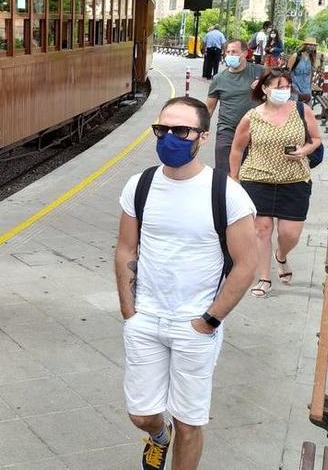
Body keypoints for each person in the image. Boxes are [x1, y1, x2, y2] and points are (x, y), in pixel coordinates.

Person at [115, 97, 257, 470]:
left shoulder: (226, 193)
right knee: (142, 415)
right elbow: (126, 248)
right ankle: (158, 437)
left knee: (189, 422)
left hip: (195, 325)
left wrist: (208, 321)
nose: (169, 138)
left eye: (181, 131)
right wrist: (130, 312)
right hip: (146, 319)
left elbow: (247, 265)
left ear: (204, 137)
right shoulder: (140, 185)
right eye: (162, 130)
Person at [229, 68, 322, 298]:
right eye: (279, 87)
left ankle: (281, 255)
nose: (284, 92)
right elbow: (237, 148)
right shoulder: (251, 117)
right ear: (264, 88)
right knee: (261, 230)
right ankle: (264, 277)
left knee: (289, 233)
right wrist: (234, 177)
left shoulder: (302, 110)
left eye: (287, 87)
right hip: (257, 179)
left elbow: (317, 139)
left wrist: (304, 150)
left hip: (295, 180)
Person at [205, 39, 264, 171]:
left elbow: (282, 89)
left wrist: (263, 87)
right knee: (224, 172)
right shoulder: (219, 79)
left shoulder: (260, 72)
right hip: (227, 130)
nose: (230, 55)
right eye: (228, 52)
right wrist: (199, 130)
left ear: (245, 54)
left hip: (256, 130)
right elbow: (209, 108)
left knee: (251, 174)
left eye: (234, 52)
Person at [288, 37, 325, 104]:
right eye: (310, 45)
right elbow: (287, 72)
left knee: (307, 110)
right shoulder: (296, 56)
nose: (312, 47)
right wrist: (289, 86)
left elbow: (310, 74)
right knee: (295, 109)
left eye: (314, 45)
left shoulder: (312, 58)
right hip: (295, 87)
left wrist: (310, 88)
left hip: (306, 88)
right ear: (305, 45)